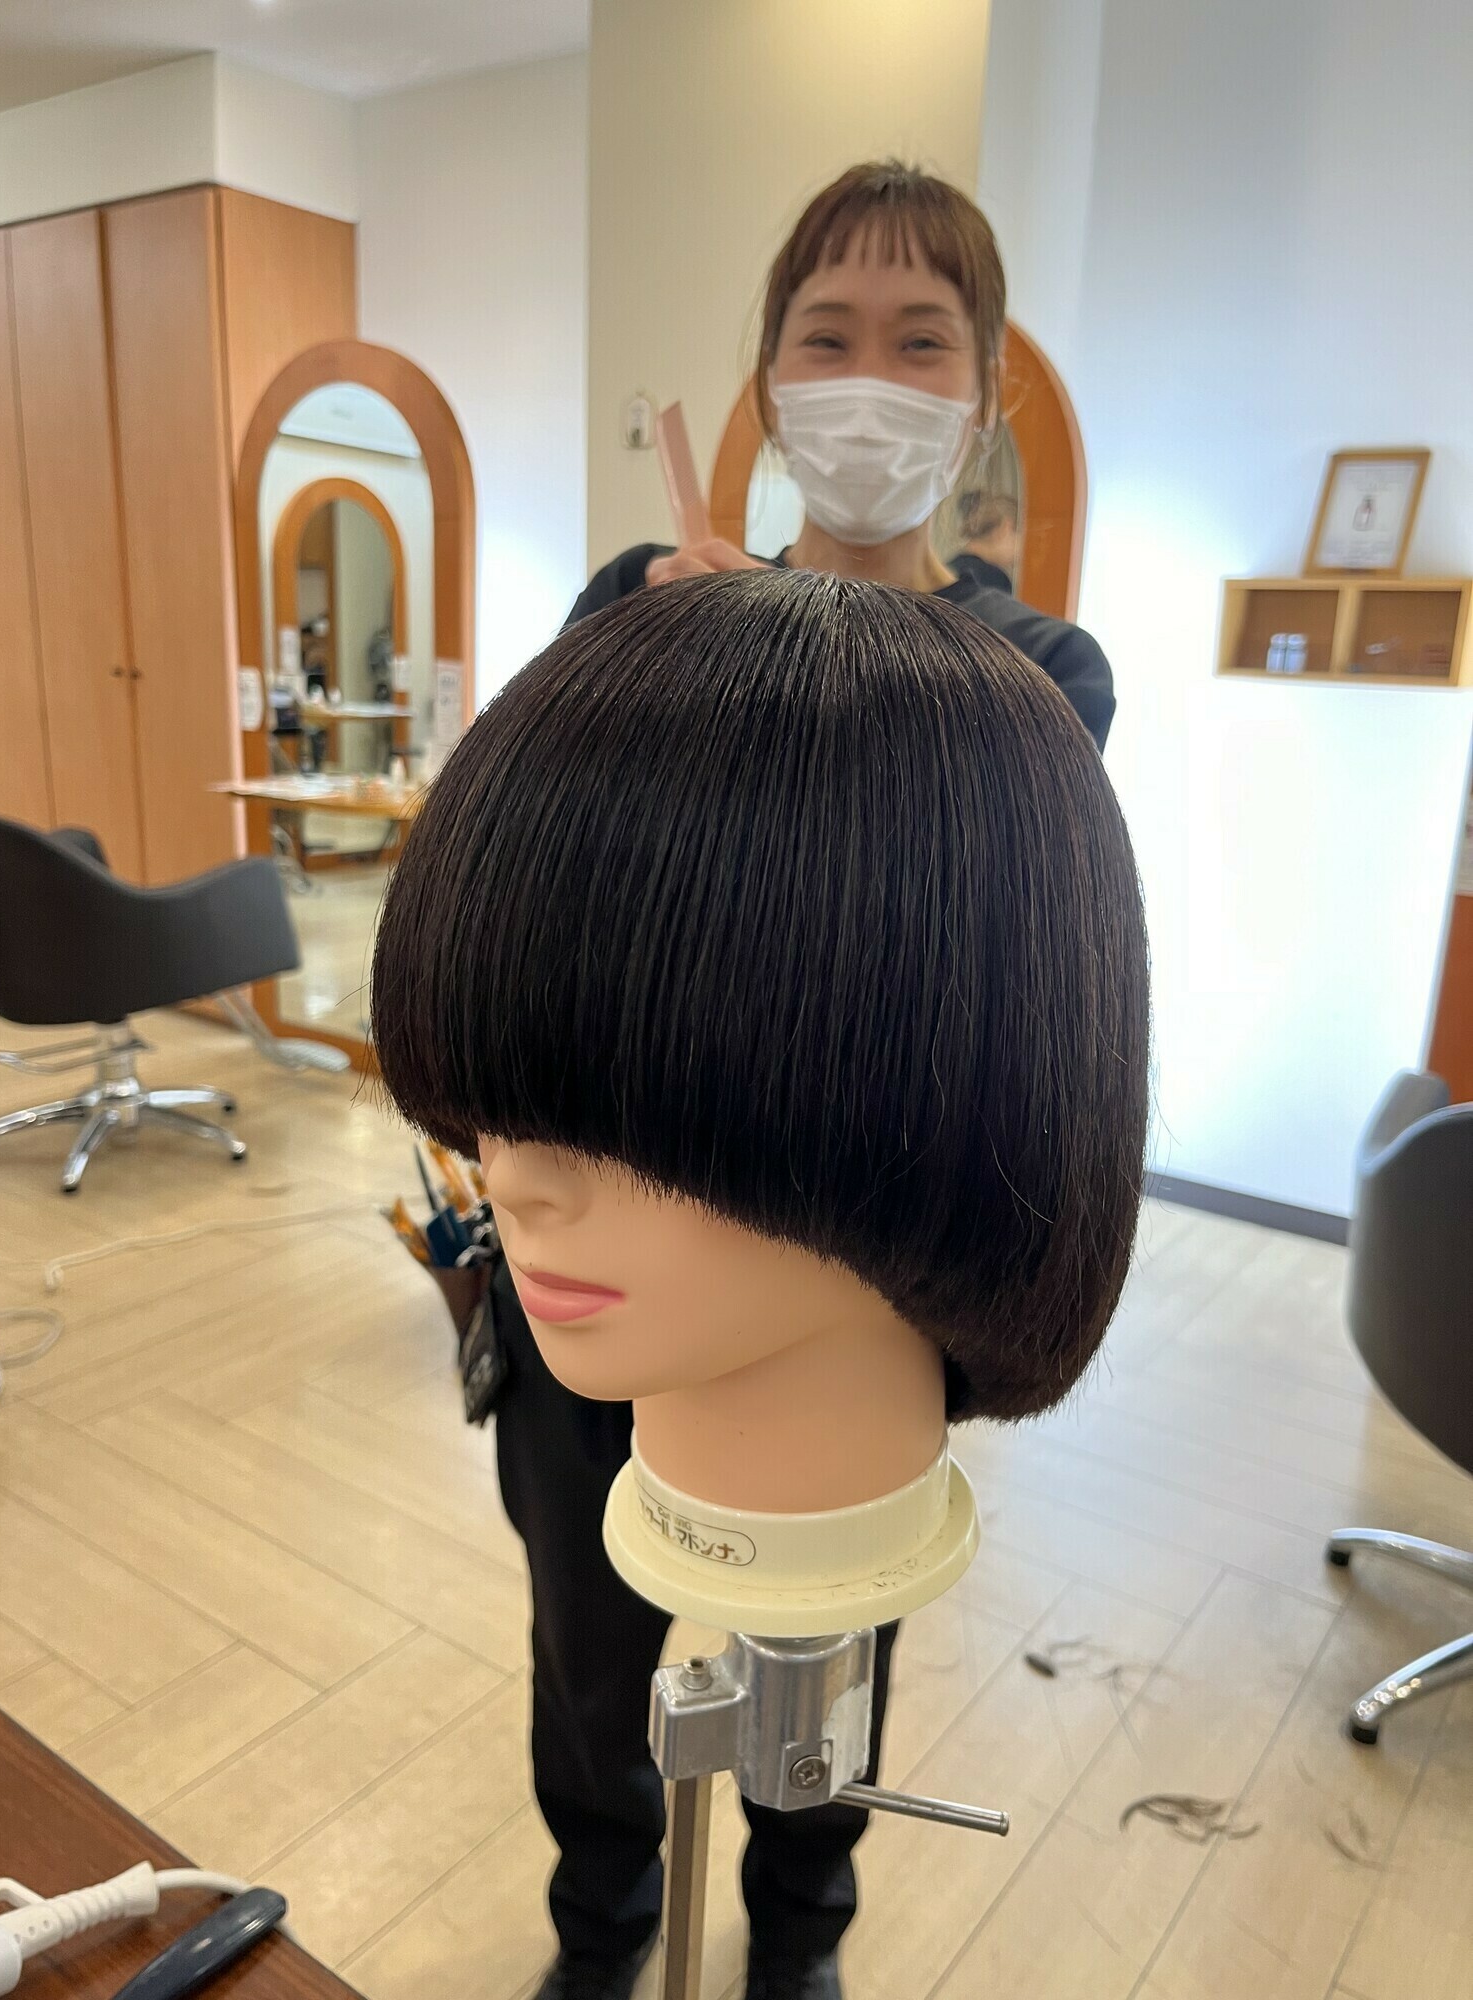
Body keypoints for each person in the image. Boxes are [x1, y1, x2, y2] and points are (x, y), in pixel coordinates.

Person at [478, 162, 1118, 2000]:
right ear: (764, 381)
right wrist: (667, 660)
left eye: (921, 342)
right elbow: (542, 885)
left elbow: (985, 950)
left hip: (843, 1262)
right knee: (588, 1633)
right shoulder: (635, 602)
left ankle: (799, 1938)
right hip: (610, 1228)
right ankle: (600, 1930)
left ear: (982, 396)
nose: (869, 381)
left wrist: (787, 673)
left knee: (824, 1640)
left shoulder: (1039, 672)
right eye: (826, 338)